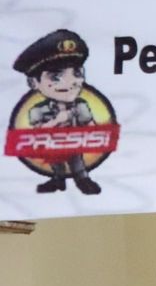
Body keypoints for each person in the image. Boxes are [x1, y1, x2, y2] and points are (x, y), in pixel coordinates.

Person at [12, 29, 102, 194]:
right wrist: (57, 120)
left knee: (76, 161)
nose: (71, 82)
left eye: (77, 73)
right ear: (34, 83)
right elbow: (37, 134)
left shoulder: (80, 105)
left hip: (74, 144)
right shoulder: (38, 110)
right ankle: (58, 180)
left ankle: (82, 180)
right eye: (55, 76)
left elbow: (92, 128)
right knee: (55, 162)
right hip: (52, 145)